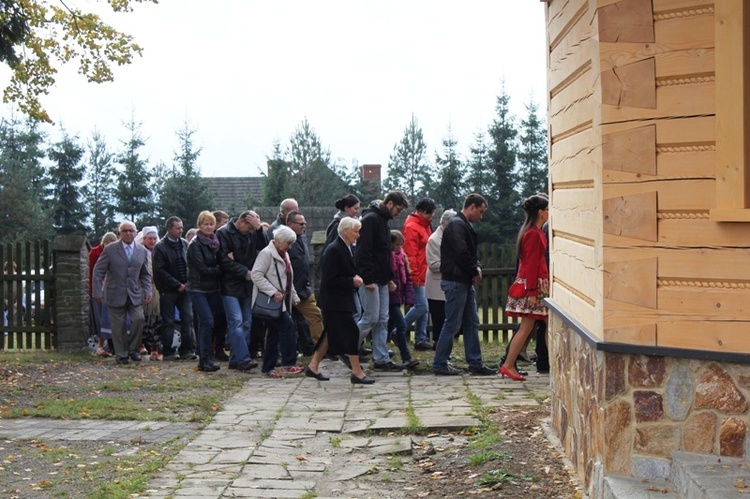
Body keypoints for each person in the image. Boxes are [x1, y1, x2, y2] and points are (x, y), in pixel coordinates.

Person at [432, 193, 495, 376]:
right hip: (456, 281)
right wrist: (474, 270)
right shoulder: (457, 225)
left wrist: (475, 268)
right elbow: (462, 252)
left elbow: (468, 253)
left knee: (471, 322)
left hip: (461, 280)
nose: (480, 216)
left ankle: (475, 362)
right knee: (452, 323)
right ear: (472, 207)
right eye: (480, 212)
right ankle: (440, 364)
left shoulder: (459, 224)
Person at [306, 217, 371, 384]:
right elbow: (329, 279)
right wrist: (352, 281)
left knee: (330, 334)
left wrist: (354, 278)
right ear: (345, 231)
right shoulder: (335, 249)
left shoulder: (345, 248)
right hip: (335, 301)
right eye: (356, 231)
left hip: (340, 300)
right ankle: (356, 372)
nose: (358, 235)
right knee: (352, 332)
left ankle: (313, 366)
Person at [355, 192, 410, 373]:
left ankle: (381, 358)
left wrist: (388, 278)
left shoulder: (382, 221)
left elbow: (384, 254)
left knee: (383, 320)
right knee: (371, 318)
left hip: (382, 280)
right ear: (390, 203)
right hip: (371, 280)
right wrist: (368, 278)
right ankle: (346, 346)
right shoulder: (371, 219)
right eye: (399, 209)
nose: (399, 213)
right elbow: (364, 251)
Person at [501, 195, 550, 381]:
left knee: (538, 325)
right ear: (540, 212)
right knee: (529, 326)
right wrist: (531, 292)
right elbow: (530, 264)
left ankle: (509, 364)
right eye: (547, 209)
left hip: (537, 285)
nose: (548, 212)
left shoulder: (530, 231)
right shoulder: (533, 234)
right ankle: (508, 364)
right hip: (535, 286)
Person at [92, 220, 152, 365]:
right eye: (125, 231)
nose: (128, 233)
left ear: (136, 233)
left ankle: (133, 350)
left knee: (138, 319)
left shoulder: (141, 250)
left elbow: (145, 273)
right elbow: (98, 270)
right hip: (114, 293)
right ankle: (121, 354)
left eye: (131, 231)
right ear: (119, 233)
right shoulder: (110, 249)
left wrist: (147, 289)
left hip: (134, 293)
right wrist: (97, 291)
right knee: (118, 326)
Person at [217, 210, 268, 372]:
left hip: (247, 285)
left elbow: (265, 247)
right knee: (236, 321)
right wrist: (245, 272)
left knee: (247, 322)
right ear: (242, 222)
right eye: (250, 228)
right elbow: (224, 259)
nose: (251, 232)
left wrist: (259, 228)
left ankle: (235, 358)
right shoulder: (224, 233)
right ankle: (243, 358)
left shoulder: (252, 233)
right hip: (230, 285)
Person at [251, 225, 302, 378]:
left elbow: (288, 279)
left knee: (273, 334)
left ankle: (268, 367)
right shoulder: (267, 254)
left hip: (281, 303)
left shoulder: (283, 254)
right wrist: (273, 292)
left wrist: (294, 296)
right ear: (279, 241)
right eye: (288, 243)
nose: (290, 247)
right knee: (288, 326)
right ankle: (288, 363)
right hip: (271, 302)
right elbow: (256, 275)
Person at [153, 217, 197, 361]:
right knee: (168, 321)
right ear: (169, 229)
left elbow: (190, 265)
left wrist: (188, 283)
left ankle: (187, 350)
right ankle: (168, 351)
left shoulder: (185, 244)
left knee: (188, 318)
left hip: (185, 289)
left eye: (182, 228)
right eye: (178, 228)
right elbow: (160, 271)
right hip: (168, 290)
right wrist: (176, 284)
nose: (181, 230)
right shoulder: (160, 247)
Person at [187, 211, 222, 372]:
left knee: (207, 324)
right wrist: (220, 269)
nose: (208, 227)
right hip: (198, 288)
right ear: (199, 226)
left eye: (211, 224)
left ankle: (205, 358)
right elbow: (201, 268)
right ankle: (205, 357)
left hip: (212, 288)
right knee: (207, 321)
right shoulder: (195, 244)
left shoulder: (214, 242)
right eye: (205, 224)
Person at [286, 210, 324, 349]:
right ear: (290, 224)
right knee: (280, 322)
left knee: (315, 315)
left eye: (305, 223)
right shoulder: (284, 240)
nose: (304, 226)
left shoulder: (301, 237)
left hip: (303, 289)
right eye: (301, 223)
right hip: (286, 290)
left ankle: (321, 348)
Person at [402, 197, 436, 350]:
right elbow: (410, 254)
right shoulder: (412, 227)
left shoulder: (425, 225)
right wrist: (413, 275)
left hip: (425, 271)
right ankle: (399, 330)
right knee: (422, 306)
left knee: (425, 307)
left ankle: (420, 339)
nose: (431, 216)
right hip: (418, 272)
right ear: (421, 211)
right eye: (429, 213)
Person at [388, 230, 420, 369]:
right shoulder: (387, 259)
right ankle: (406, 357)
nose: (399, 248)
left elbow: (407, 279)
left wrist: (409, 297)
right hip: (390, 299)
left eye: (401, 245)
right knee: (401, 326)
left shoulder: (402, 257)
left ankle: (381, 352)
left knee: (388, 326)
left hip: (398, 298)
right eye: (396, 245)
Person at [425, 209, 456, 349]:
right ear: (444, 224)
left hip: (448, 285)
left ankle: (444, 350)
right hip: (436, 288)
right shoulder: (433, 240)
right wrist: (454, 264)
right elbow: (433, 265)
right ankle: (439, 349)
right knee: (439, 321)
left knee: (448, 320)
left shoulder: (450, 237)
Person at [89, 232, 117, 357]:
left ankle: (111, 346)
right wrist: (94, 291)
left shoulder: (117, 252)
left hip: (112, 289)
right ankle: (101, 345)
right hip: (99, 289)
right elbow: (92, 272)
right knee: (101, 318)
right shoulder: (95, 253)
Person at [135, 226, 162, 359]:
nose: (152, 241)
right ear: (144, 239)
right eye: (149, 239)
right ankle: (139, 345)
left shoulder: (159, 252)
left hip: (156, 290)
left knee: (156, 319)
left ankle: (154, 349)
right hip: (142, 289)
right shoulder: (139, 252)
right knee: (141, 319)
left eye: (154, 239)